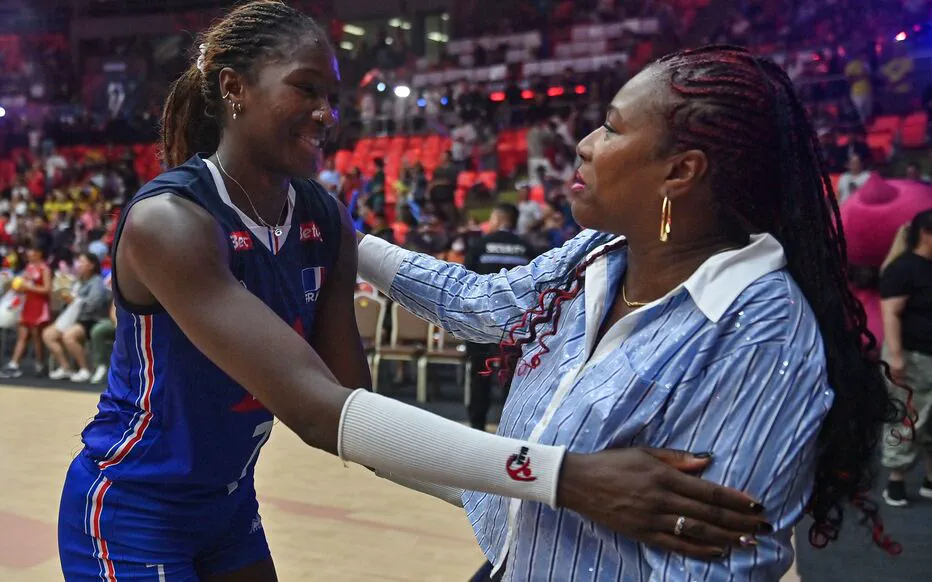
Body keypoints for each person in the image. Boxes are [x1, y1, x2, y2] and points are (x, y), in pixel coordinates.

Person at [57, 6, 767, 581]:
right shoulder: (170, 222)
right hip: (134, 504)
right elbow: (317, 410)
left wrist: (546, 497)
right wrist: (566, 479)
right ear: (235, 88)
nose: (327, 113)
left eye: (333, 96)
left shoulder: (321, 217)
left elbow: (361, 419)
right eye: (306, 88)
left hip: (227, 506)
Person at [356, 46, 904, 580]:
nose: (585, 145)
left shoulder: (759, 334)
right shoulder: (599, 253)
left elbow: (706, 570)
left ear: (680, 171)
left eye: (612, 129)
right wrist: (346, 240)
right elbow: (476, 304)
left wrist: (351, 422)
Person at [464, 203, 534, 431]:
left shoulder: (480, 245)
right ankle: (509, 429)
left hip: (481, 322)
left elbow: (466, 282)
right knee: (512, 377)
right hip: (515, 326)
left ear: (499, 219)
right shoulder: (527, 248)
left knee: (479, 375)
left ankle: (477, 428)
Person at [879, 209, 932, 507]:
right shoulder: (903, 268)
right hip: (911, 356)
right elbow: (891, 313)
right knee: (906, 418)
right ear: (926, 233)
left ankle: (930, 480)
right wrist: (897, 357)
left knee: (930, 420)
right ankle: (896, 480)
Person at [43, 252, 111, 382]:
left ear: (91, 265)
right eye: (78, 262)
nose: (78, 265)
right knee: (48, 335)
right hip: (73, 318)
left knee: (69, 336)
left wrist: (76, 300)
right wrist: (65, 297)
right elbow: (69, 300)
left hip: (89, 319)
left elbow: (95, 303)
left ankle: (85, 369)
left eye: (82, 262)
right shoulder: (77, 281)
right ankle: (66, 368)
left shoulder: (97, 282)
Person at [2, 246, 51, 378]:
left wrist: (29, 287)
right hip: (27, 303)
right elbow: (23, 284)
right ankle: (14, 364)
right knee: (22, 334)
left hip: (39, 305)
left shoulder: (45, 269)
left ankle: (40, 364)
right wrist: (18, 286)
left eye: (32, 252)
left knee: (36, 337)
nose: (29, 254)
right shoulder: (29, 267)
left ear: (39, 253)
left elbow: (47, 289)